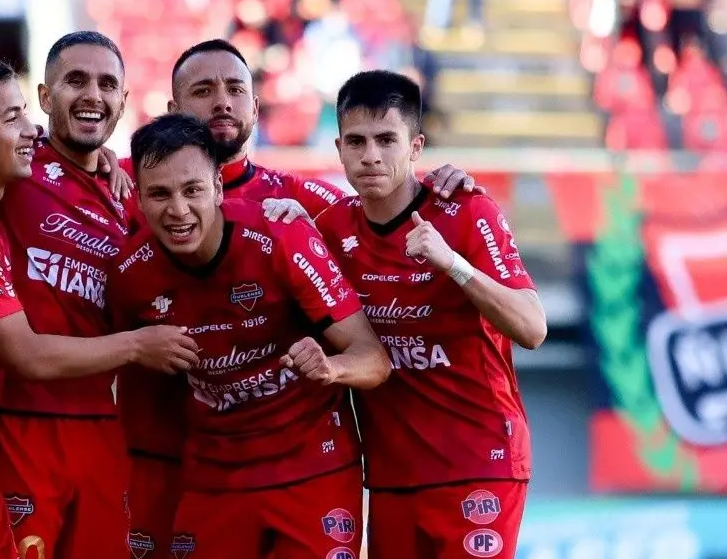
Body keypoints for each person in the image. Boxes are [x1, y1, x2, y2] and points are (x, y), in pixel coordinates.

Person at [118, 37, 482, 555]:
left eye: (235, 90)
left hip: (318, 463)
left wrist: (443, 186)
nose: (222, 101)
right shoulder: (126, 192)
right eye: (203, 90)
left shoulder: (300, 208)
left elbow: (387, 209)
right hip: (186, 465)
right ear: (174, 108)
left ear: (255, 106)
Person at [0, 57, 199, 559]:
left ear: (125, 102)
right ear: (49, 95)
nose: (32, 128)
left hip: (81, 434)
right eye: (77, 80)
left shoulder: (133, 189)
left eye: (108, 83)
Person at [110, 113, 390, 558]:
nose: (178, 210)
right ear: (139, 201)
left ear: (219, 188)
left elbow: (374, 358)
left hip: (313, 470)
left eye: (193, 190)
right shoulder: (129, 274)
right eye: (159, 194)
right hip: (214, 479)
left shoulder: (280, 236)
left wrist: (331, 367)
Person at [314, 70, 546, 558]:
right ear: (338, 148)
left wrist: (452, 264)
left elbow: (532, 327)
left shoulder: (465, 211)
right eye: (356, 141)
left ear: (416, 146)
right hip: (392, 473)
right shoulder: (331, 229)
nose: (371, 155)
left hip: (480, 462)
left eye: (386, 140)